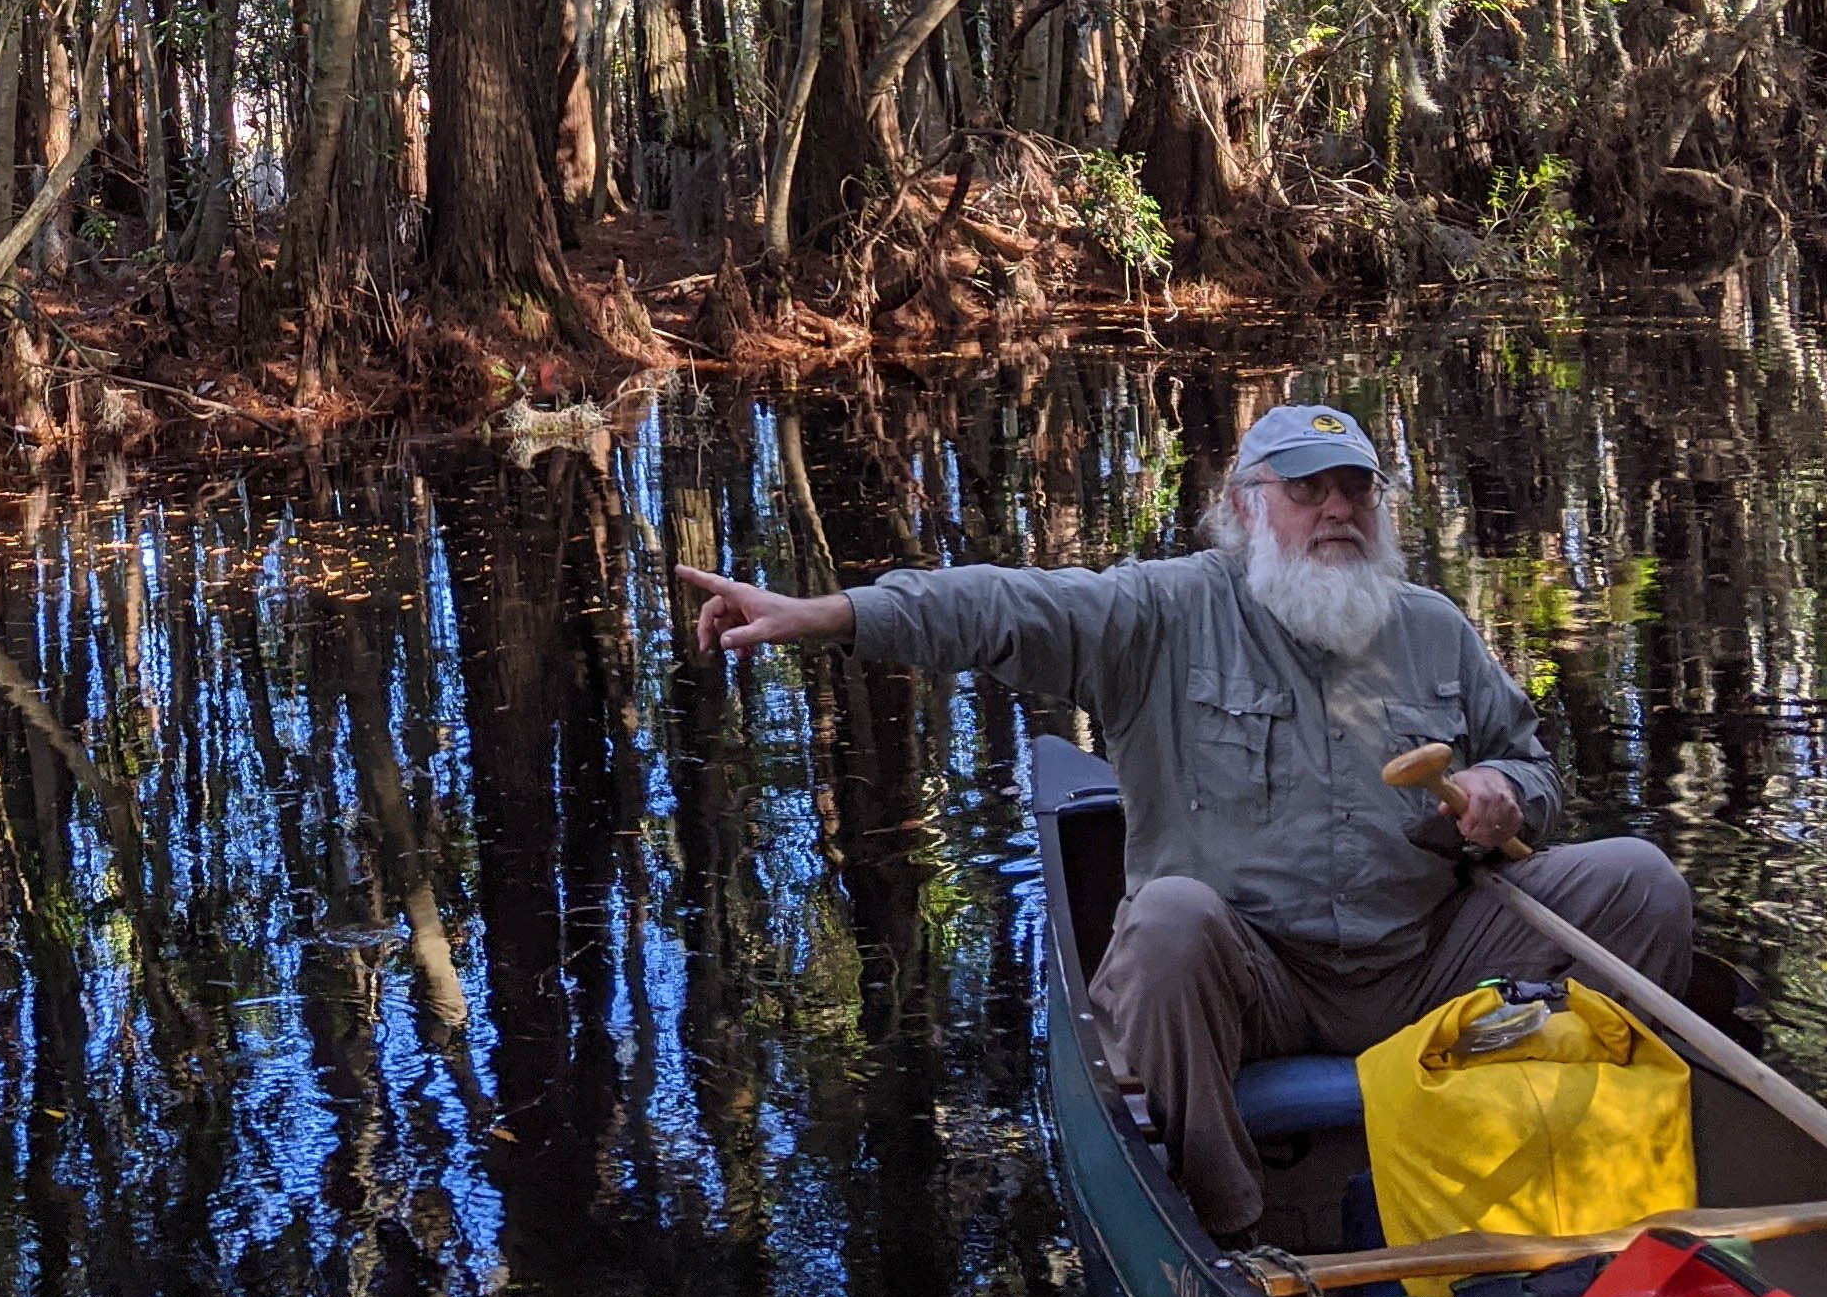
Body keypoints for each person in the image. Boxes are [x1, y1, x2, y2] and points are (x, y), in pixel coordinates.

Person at [682, 401, 1696, 1245]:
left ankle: (1578, 1168)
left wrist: (1507, 794)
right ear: (1247, 508)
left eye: (1353, 488)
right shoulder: (1164, 612)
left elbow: (1531, 766)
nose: (1334, 509)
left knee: (1640, 885)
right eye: (1306, 489)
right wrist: (828, 616)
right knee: (1165, 920)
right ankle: (1235, 1234)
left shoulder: (1432, 625)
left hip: (1426, 960)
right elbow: (999, 608)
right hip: (1258, 983)